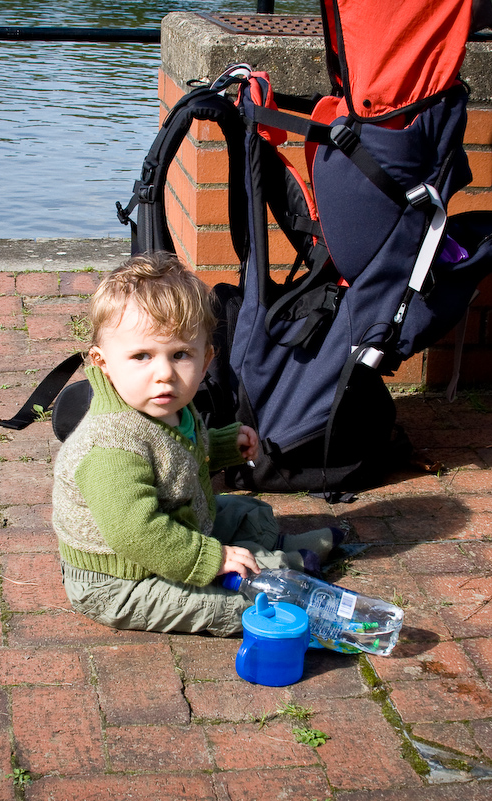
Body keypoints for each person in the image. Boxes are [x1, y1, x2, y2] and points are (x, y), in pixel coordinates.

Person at [52, 252, 343, 637]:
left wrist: (222, 446)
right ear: (103, 363)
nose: (164, 374)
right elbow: (137, 533)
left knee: (250, 511)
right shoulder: (111, 449)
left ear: (205, 360)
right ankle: (280, 567)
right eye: (141, 356)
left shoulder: (167, 408)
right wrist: (213, 558)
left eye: (180, 355)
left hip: (177, 522)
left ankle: (268, 555)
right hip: (120, 579)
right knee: (234, 605)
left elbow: (180, 456)